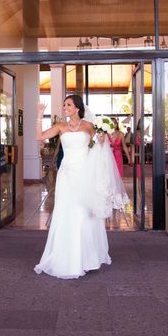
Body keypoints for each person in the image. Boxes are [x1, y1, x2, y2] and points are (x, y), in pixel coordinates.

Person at [34, 95, 111, 279]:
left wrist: (101, 140)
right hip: (67, 175)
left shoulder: (89, 126)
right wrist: (39, 113)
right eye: (64, 105)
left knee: (84, 214)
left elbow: (96, 148)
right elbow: (40, 136)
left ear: (77, 108)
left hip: (85, 174)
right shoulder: (61, 126)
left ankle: (87, 257)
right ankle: (67, 258)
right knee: (68, 212)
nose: (65, 107)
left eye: (68, 105)